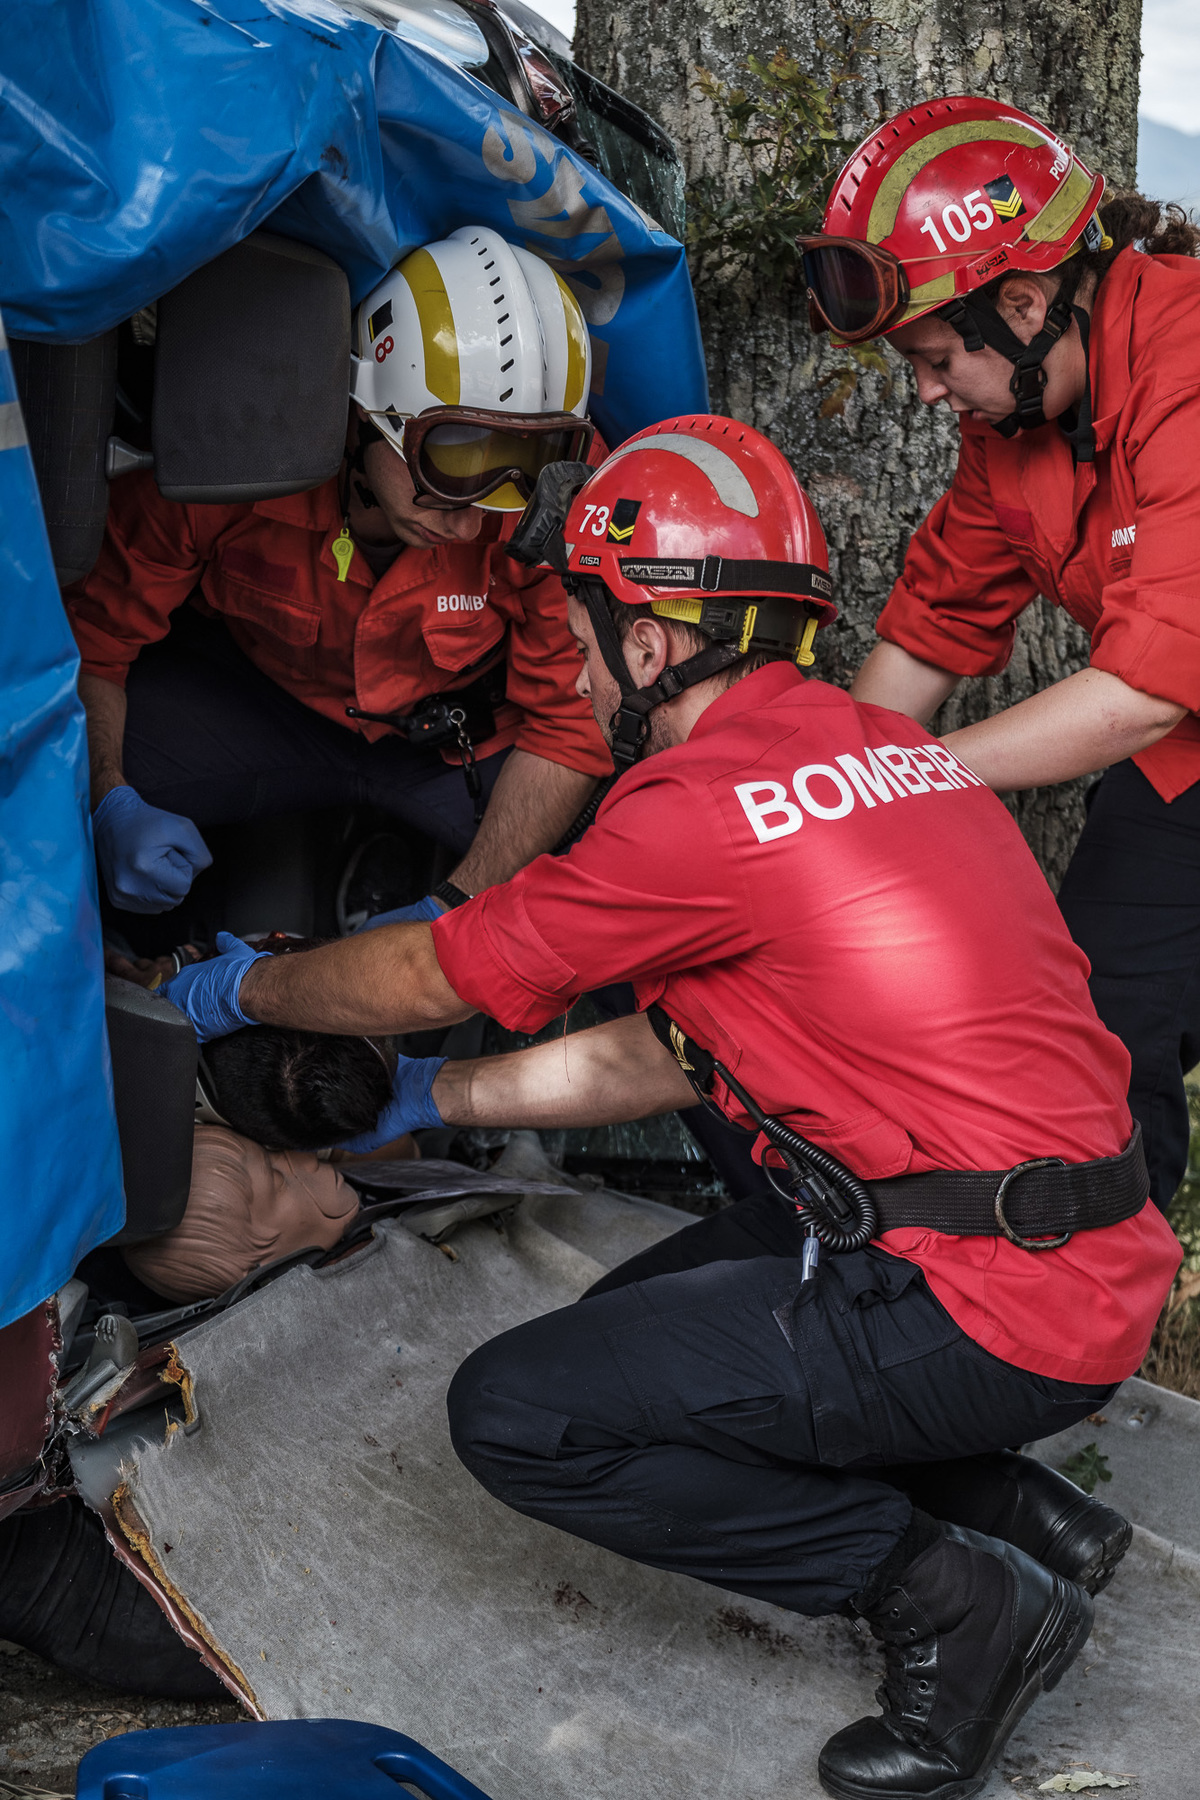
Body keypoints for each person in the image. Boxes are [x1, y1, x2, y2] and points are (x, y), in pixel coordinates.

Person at [162, 415, 1181, 1800]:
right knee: (615, 1352)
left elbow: (436, 967)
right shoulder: (883, 756)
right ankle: (1012, 1508)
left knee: (530, 1413)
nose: (571, 666)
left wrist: (248, 998)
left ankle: (954, 1601)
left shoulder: (695, 807)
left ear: (647, 643)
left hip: (986, 1298)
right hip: (1078, 1256)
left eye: (582, 634)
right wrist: (425, 1094)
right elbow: (675, 1057)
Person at [798, 95, 1200, 1214]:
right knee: (1104, 1025)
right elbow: (929, 628)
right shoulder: (1013, 425)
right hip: (1188, 757)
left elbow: (1144, 694)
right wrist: (809, 795)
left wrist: (896, 779)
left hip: (1166, 713)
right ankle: (1089, 1299)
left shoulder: (1191, 361)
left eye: (932, 357)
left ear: (1023, 304)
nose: (926, 392)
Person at [67, 226, 610, 926]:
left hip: (455, 747)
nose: (473, 521)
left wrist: (453, 911)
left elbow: (569, 726)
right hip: (263, 710)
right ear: (364, 410)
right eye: (454, 461)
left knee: (602, 893)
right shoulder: (232, 459)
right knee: (40, 792)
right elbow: (95, 640)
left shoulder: (559, 506)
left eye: (520, 470)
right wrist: (107, 798)